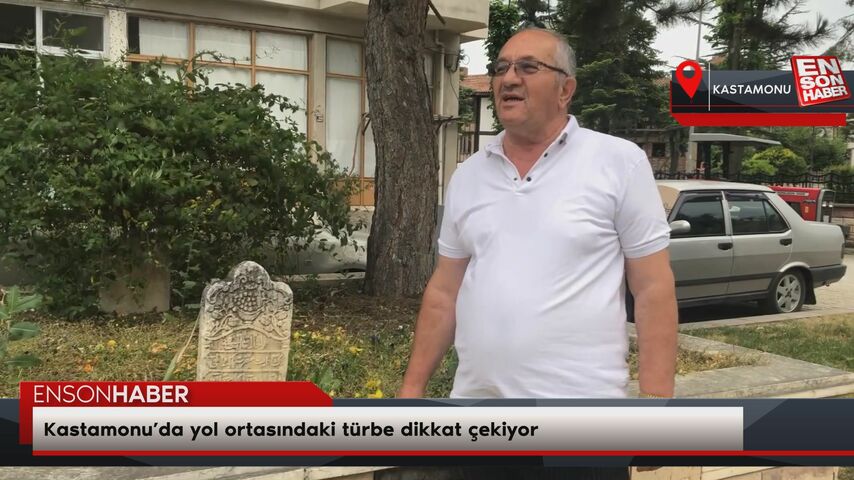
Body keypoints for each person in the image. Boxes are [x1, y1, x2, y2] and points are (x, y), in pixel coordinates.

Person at [397, 26, 678, 480]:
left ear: (566, 89)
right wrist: (411, 393)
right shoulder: (469, 175)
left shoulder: (618, 162)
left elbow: (653, 288)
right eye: (501, 68)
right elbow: (444, 292)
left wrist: (657, 404)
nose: (509, 79)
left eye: (528, 67)